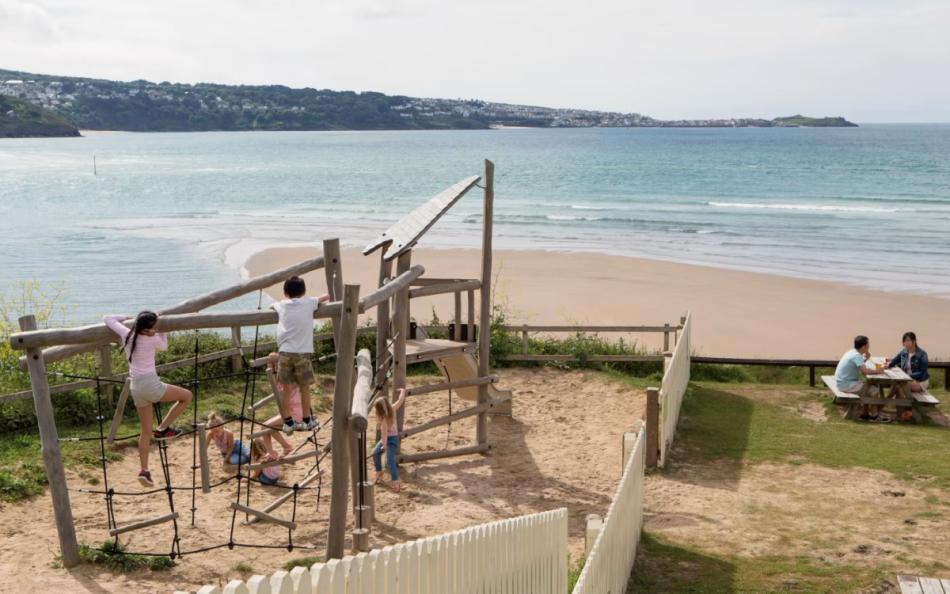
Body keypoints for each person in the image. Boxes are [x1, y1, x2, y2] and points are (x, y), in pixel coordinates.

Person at [103, 312, 193, 487]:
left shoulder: (127, 334)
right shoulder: (152, 339)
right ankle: (162, 429)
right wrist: (163, 331)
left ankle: (144, 470)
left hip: (136, 387)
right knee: (186, 396)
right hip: (151, 385)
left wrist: (127, 317)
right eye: (155, 326)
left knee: (145, 432)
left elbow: (107, 318)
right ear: (148, 328)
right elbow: (164, 346)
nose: (157, 328)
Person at [269, 276, 329, 434]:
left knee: (286, 389)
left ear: (285, 292)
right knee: (304, 387)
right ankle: (307, 420)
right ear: (304, 292)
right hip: (302, 352)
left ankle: (288, 422)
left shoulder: (281, 304)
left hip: (285, 352)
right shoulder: (309, 302)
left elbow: (271, 305)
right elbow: (325, 297)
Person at [834, 335, 888, 422]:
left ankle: (865, 413)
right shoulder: (857, 356)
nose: (869, 346)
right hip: (846, 385)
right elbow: (865, 371)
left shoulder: (852, 352)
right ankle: (875, 416)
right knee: (874, 391)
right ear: (863, 347)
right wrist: (879, 371)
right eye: (868, 345)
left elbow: (859, 365)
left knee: (869, 387)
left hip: (841, 382)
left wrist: (866, 359)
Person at [258, 352, 301, 458]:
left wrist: (279, 361)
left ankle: (279, 450)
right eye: (275, 365)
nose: (276, 367)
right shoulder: (279, 381)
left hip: (296, 414)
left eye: (278, 364)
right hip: (286, 413)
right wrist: (270, 363)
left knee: (265, 427)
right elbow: (272, 377)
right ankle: (282, 448)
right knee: (265, 427)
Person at [372, 388, 406, 492]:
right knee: (375, 452)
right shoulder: (392, 408)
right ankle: (379, 471)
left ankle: (395, 481)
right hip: (387, 439)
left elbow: (384, 434)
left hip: (390, 440)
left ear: (379, 410)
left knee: (390, 461)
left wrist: (384, 445)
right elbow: (400, 401)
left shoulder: (384, 419)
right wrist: (402, 392)